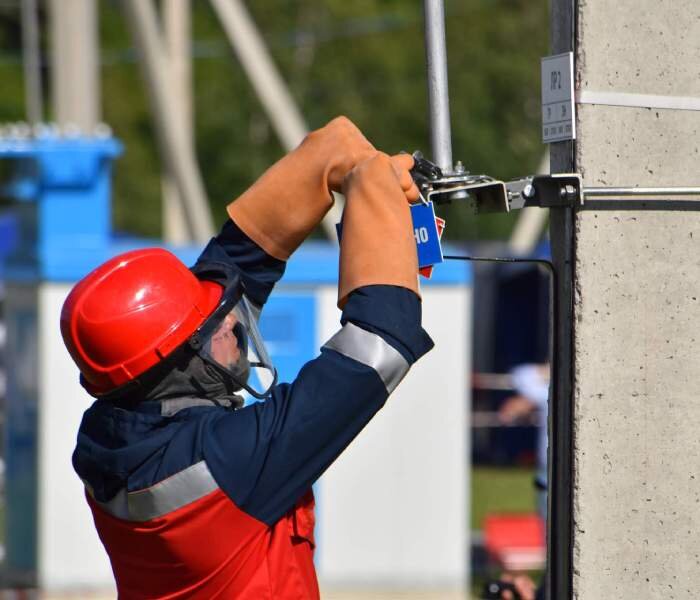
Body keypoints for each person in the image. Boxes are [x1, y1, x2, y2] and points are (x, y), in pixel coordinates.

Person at [61, 116, 434, 599]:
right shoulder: (228, 462)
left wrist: (328, 157)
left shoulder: (113, 430)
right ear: (182, 363)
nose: (233, 320)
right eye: (212, 324)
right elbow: (382, 341)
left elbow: (225, 277)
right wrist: (377, 197)